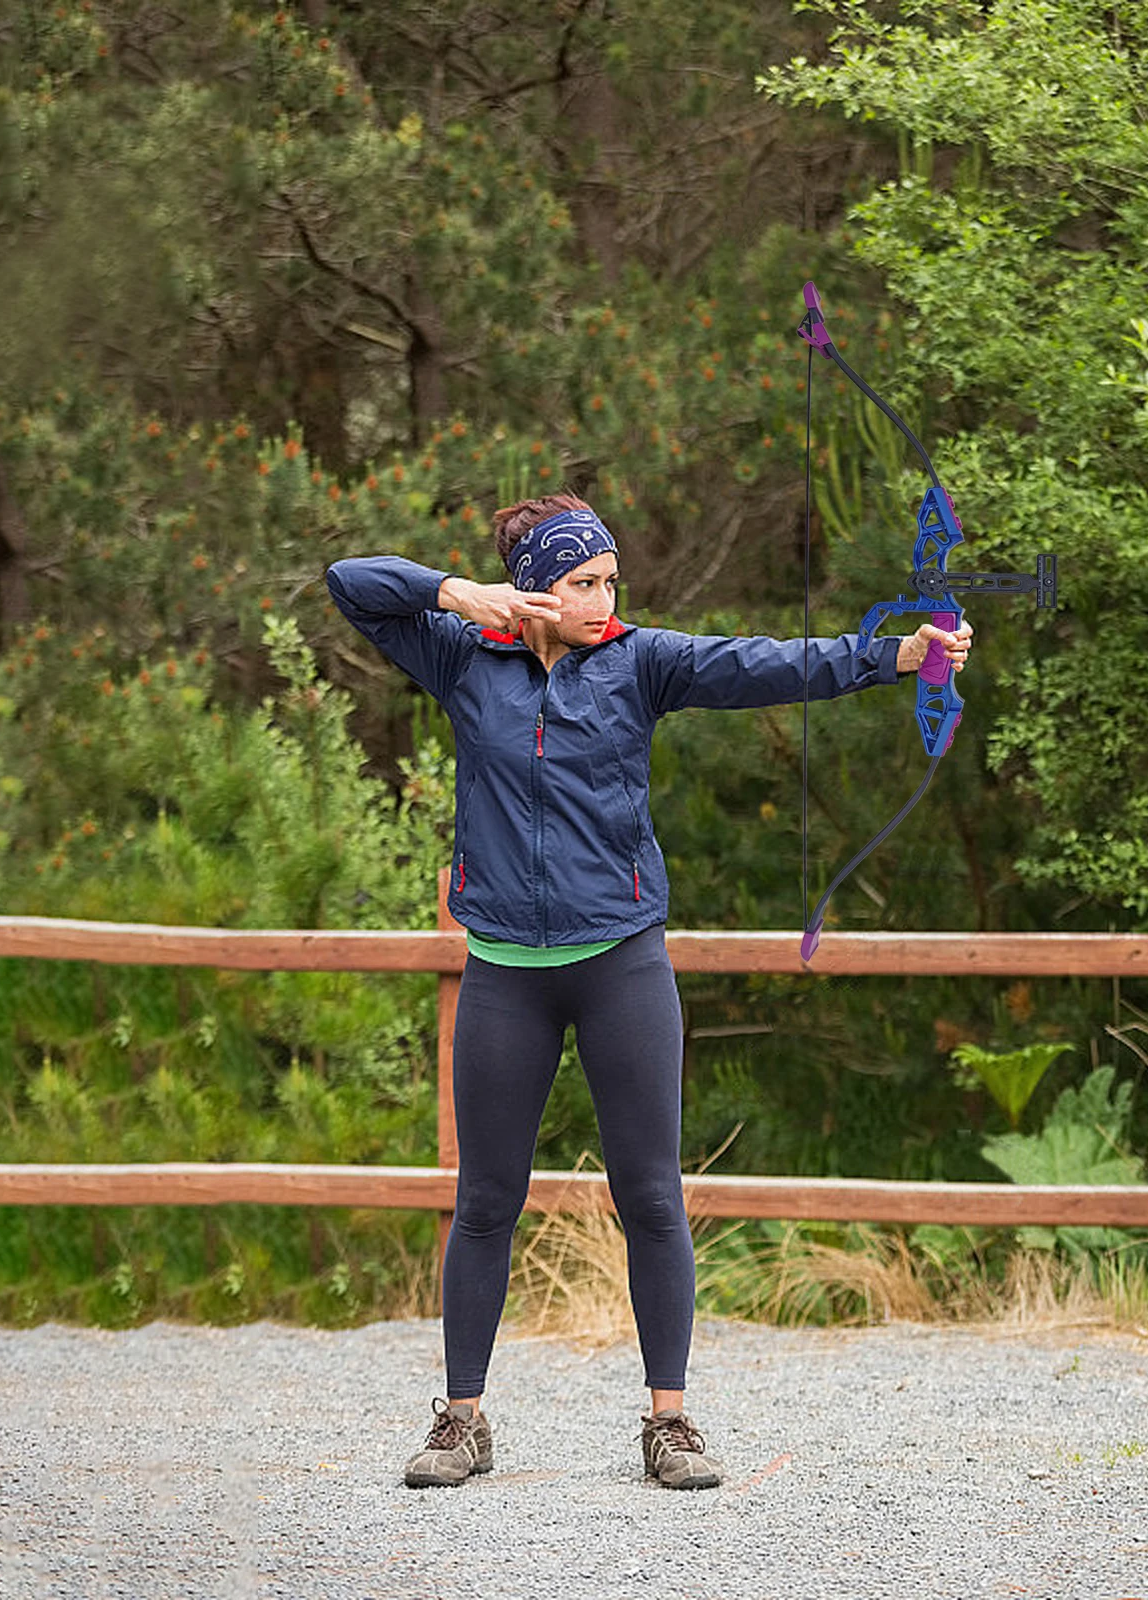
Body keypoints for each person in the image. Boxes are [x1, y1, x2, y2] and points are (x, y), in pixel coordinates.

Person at [325, 493, 973, 1490]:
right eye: (582, 582)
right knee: (486, 1201)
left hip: (620, 961)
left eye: (610, 580)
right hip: (505, 970)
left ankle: (669, 1424)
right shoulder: (463, 657)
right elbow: (352, 585)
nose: (602, 598)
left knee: (652, 1197)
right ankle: (462, 1420)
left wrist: (894, 655)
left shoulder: (640, 659)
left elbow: (769, 662)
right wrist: (462, 594)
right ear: (535, 583)